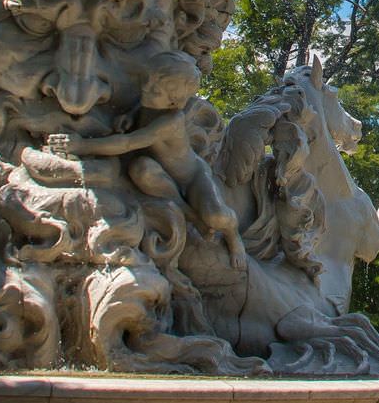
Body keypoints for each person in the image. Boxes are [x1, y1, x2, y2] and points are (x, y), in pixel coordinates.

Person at [48, 51, 246, 269]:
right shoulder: (154, 103)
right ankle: (189, 214)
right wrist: (131, 115)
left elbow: (127, 143)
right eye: (147, 82)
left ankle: (233, 235)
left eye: (154, 89)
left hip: (192, 177)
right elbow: (141, 106)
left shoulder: (171, 120)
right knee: (140, 169)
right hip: (160, 170)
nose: (145, 89)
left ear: (173, 101)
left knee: (216, 217)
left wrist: (82, 145)